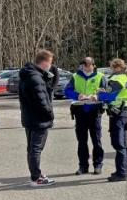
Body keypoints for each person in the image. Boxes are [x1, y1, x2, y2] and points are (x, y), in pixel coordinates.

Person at [19, 49, 56, 187]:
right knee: (36, 149)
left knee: (32, 148)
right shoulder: (35, 78)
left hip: (29, 118)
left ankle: (35, 174)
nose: (50, 66)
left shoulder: (29, 74)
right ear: (45, 62)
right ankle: (36, 178)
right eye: (50, 63)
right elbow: (41, 100)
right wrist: (50, 114)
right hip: (38, 119)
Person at [64, 57, 107, 175]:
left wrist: (98, 96)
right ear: (82, 65)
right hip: (80, 111)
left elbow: (107, 93)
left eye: (89, 65)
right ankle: (83, 166)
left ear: (93, 65)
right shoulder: (75, 76)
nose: (86, 68)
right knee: (81, 141)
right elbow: (67, 91)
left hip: (94, 112)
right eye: (84, 65)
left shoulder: (100, 76)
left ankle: (98, 165)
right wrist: (77, 95)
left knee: (96, 140)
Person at [97, 58, 127, 182]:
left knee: (118, 144)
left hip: (117, 114)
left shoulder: (116, 79)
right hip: (126, 112)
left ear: (117, 68)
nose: (110, 69)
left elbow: (108, 95)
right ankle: (124, 169)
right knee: (124, 143)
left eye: (112, 67)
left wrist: (98, 93)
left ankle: (121, 173)